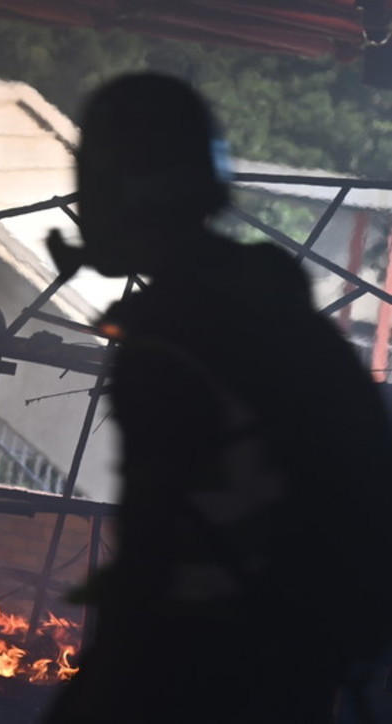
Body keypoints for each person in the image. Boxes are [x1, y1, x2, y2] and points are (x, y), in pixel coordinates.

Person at [44, 73, 392, 723]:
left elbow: (156, 553)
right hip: (294, 660)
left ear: (125, 192)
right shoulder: (266, 303)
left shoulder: (173, 335)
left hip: (208, 662)